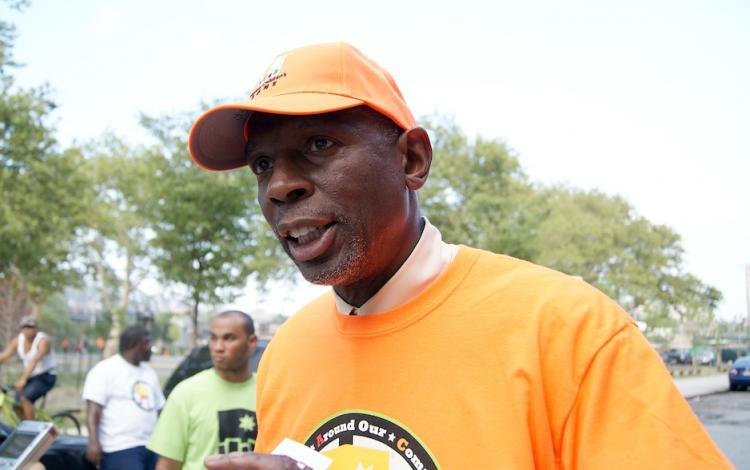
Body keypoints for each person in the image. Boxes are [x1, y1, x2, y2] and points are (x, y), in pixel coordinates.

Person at [188, 43, 731, 468]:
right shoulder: (288, 353)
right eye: (261, 165)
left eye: (319, 145)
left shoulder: (569, 331)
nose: (280, 186)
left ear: (413, 160)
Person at [147, 310, 259, 470]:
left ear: (252, 342)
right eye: (213, 338)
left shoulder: (267, 393)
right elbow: (167, 465)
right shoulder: (185, 393)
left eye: (229, 338)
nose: (218, 347)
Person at [82, 325, 164, 470]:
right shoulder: (105, 370)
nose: (150, 348)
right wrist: (93, 442)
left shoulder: (149, 373)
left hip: (152, 445)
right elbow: (93, 410)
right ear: (134, 344)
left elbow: (160, 409)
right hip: (120, 447)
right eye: (147, 343)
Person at [0, 316, 57, 420]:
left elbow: (35, 360)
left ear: (36, 328)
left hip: (46, 376)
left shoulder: (42, 340)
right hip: (31, 376)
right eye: (25, 327)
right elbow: (3, 356)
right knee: (16, 404)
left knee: (25, 399)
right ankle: (24, 427)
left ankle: (32, 429)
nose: (28, 330)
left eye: (31, 327)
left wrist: (23, 379)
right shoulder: (18, 340)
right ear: (21, 329)